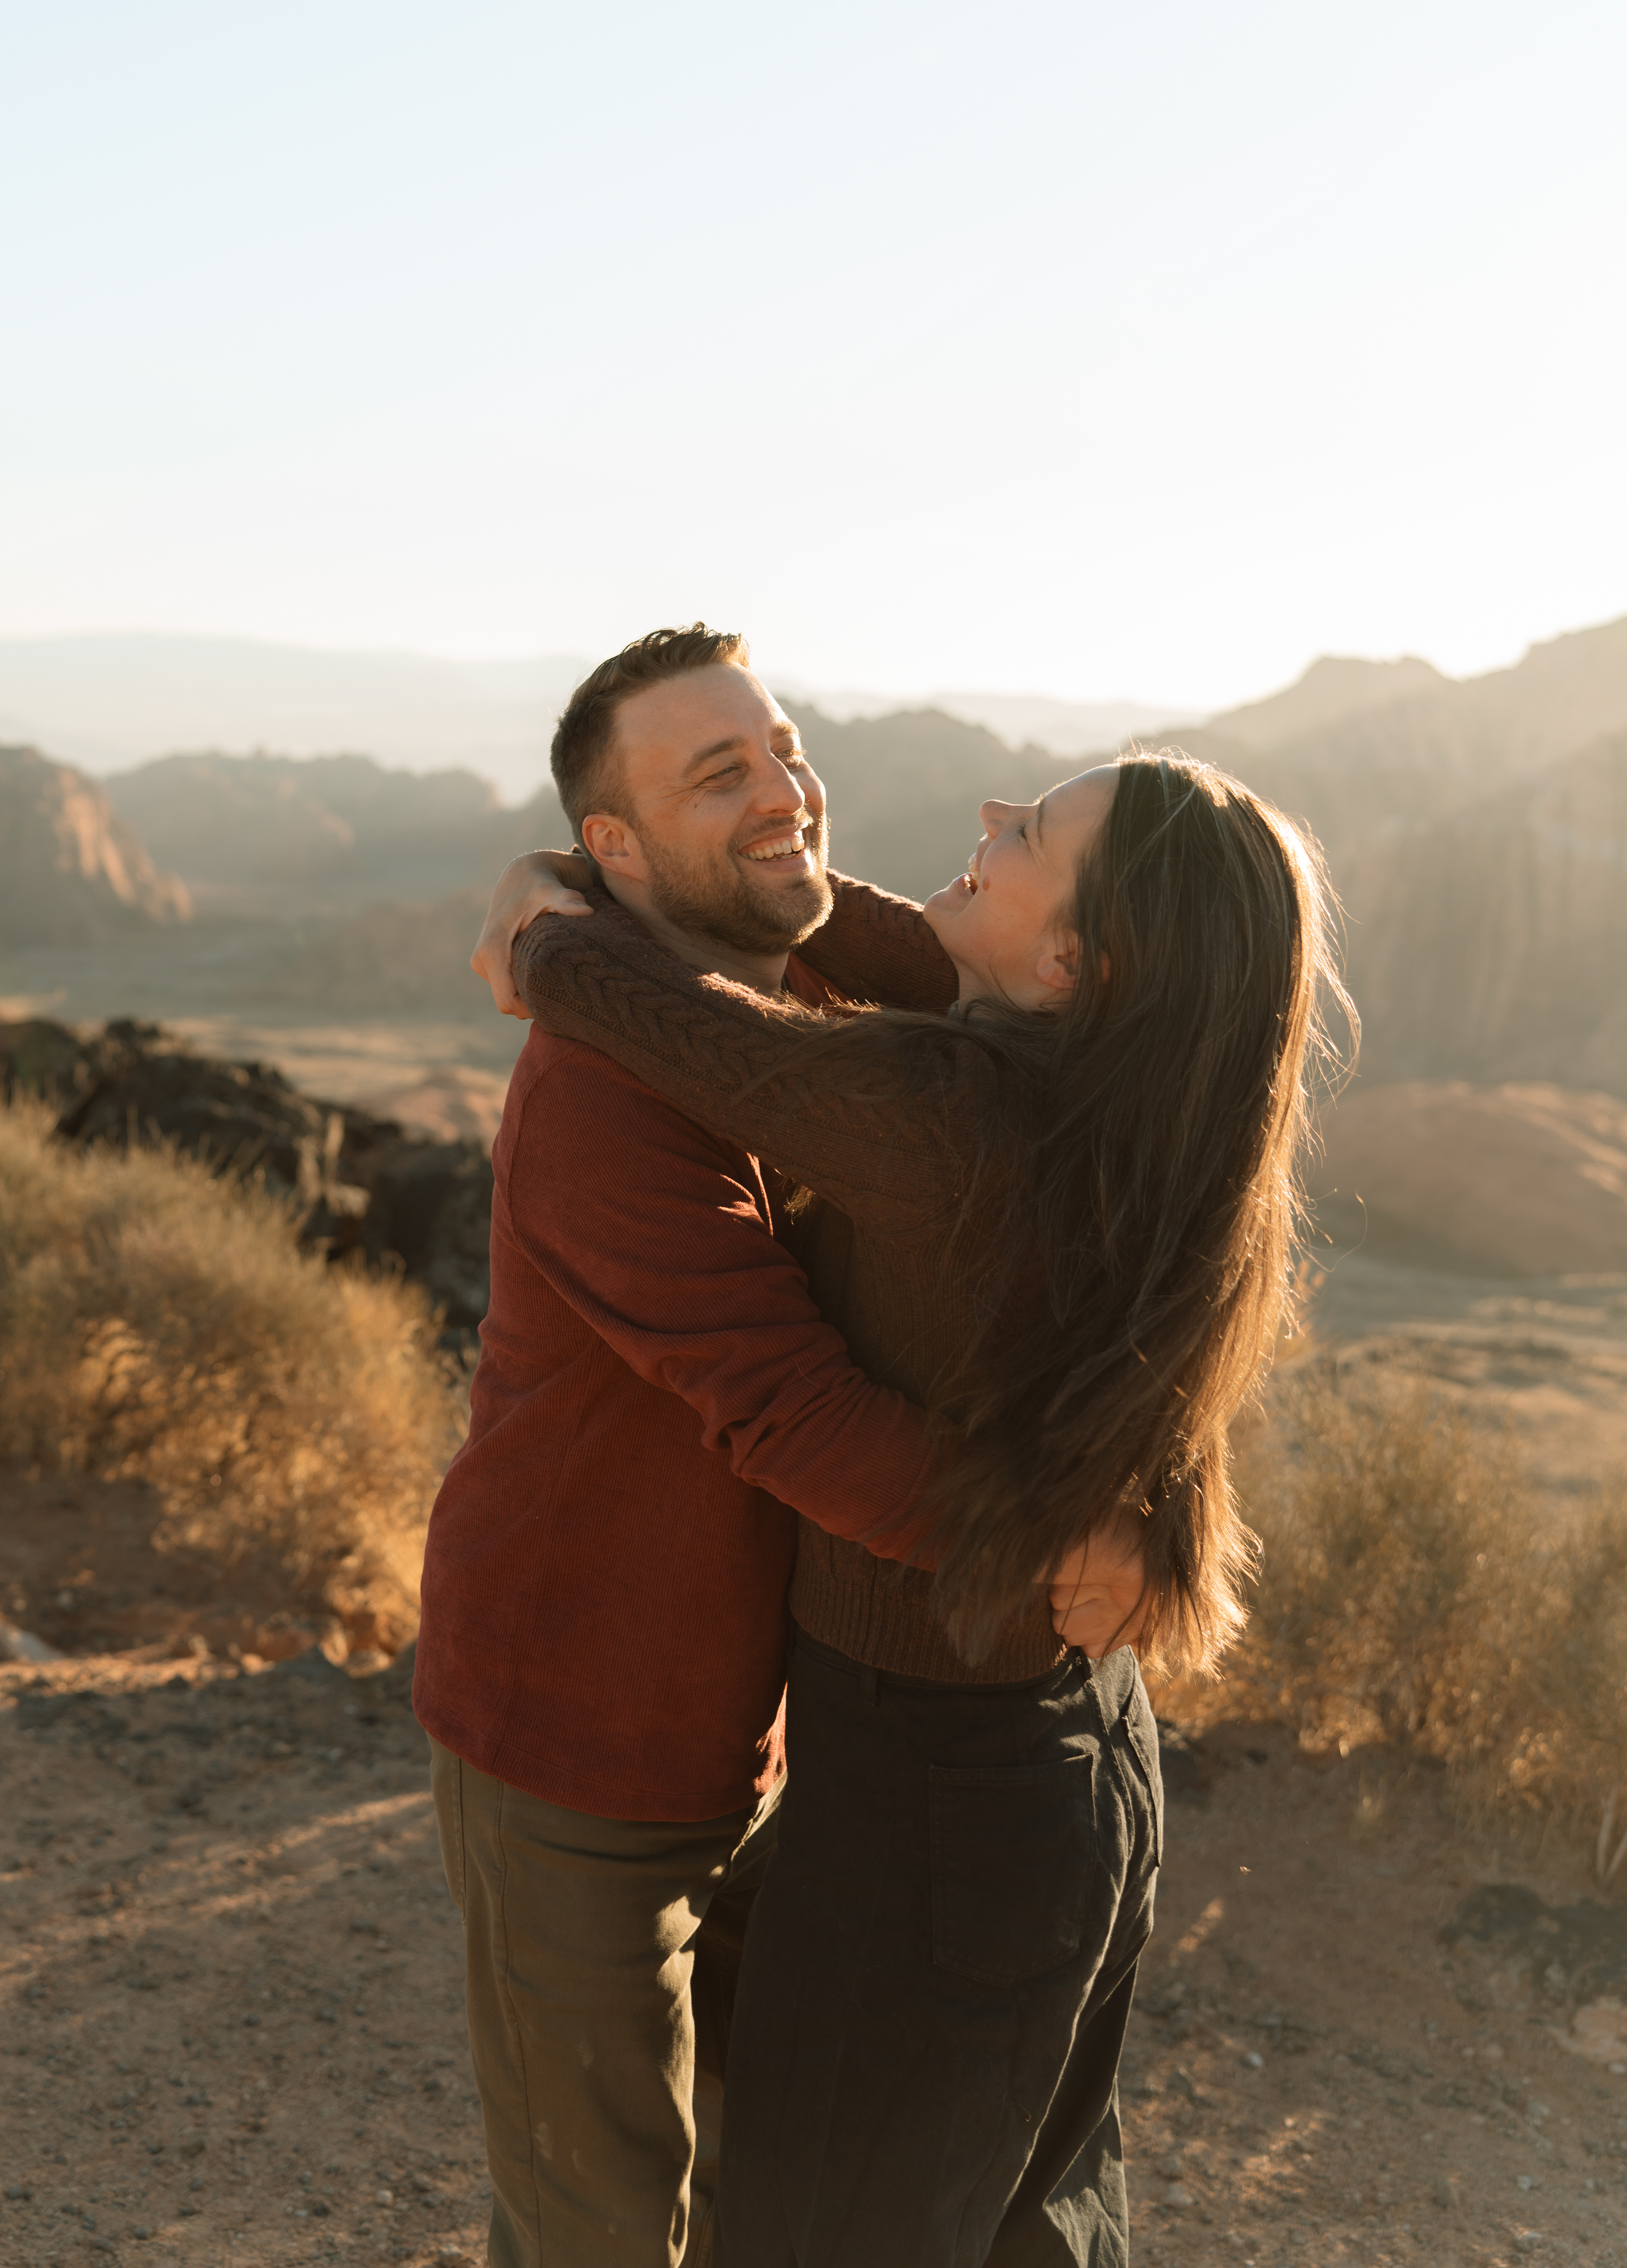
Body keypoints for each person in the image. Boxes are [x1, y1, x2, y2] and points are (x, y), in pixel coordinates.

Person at [485, 692, 1352, 2266]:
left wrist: (543, 930)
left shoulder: (947, 1113)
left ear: (1078, 970)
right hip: (1090, 1765)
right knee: (1032, 2223)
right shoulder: (1138, 1106)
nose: (983, 821)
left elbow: (691, 1032)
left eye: (1027, 838)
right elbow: (889, 950)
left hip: (934, 1804)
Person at [420, 624, 1116, 2268]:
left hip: (761, 1726)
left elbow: (937, 947)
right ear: (620, 848)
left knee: (753, 2184)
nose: (785, 792)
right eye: (716, 773)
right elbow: (794, 1413)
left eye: (785, 747)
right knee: (597, 2219)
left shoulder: (785, 967)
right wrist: (1051, 1536)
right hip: (574, 1738)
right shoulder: (604, 1097)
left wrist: (553, 893)